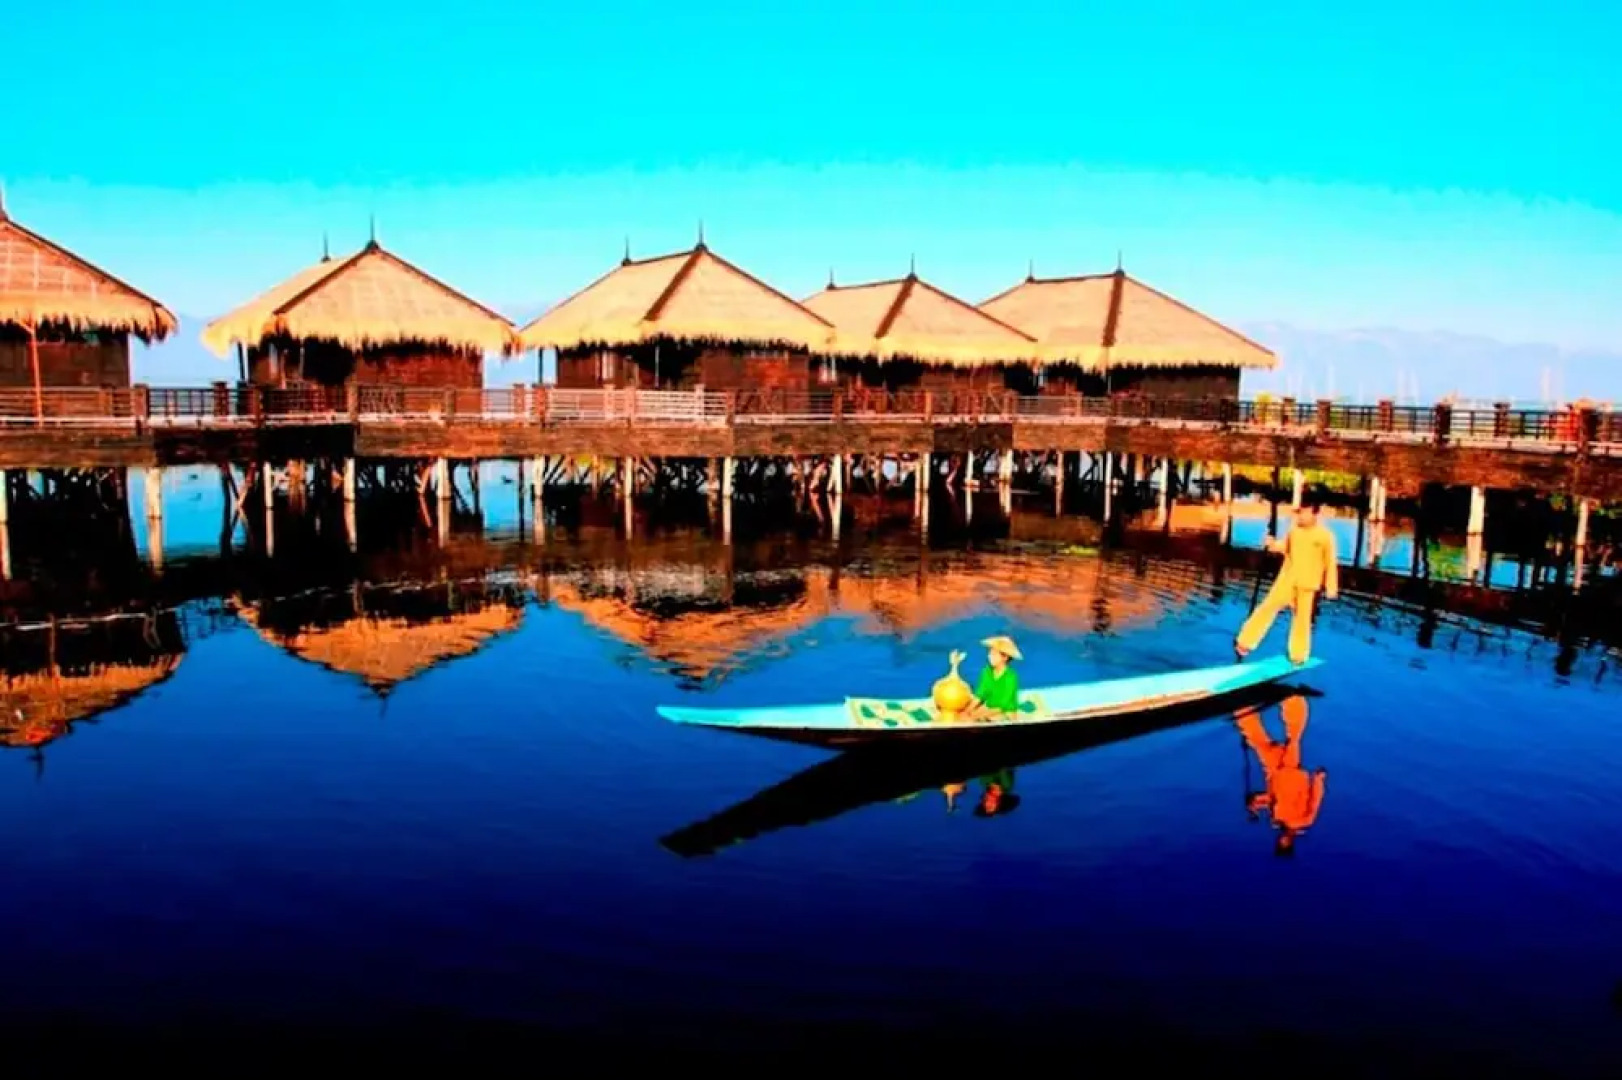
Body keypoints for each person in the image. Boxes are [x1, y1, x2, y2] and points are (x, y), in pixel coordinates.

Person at [1234, 496, 1338, 665]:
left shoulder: (1325, 536)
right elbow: (1285, 547)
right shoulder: (1294, 532)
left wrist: (1331, 586)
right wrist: (1272, 543)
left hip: (1308, 584)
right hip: (1287, 580)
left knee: (1302, 620)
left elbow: (1330, 562)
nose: (1300, 517)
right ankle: (1244, 642)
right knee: (1267, 607)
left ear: (1315, 514)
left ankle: (1298, 655)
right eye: (1299, 513)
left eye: (1304, 513)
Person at [1236, 695, 1326, 857]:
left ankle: (1243, 708)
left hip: (1274, 772)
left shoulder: (1276, 820)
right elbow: (1315, 799)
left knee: (1257, 742)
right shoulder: (1305, 820)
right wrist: (1318, 779)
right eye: (1284, 843)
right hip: (1292, 770)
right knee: (1294, 738)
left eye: (1279, 842)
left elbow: (1272, 798)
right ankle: (1293, 700)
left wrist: (1255, 803)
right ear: (1290, 843)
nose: (1281, 839)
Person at [968, 635, 1022, 720]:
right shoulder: (986, 671)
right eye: (990, 653)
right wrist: (969, 710)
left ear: (1005, 657)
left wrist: (982, 714)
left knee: (993, 718)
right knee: (967, 715)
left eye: (994, 654)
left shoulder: (1011, 677)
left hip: (1005, 712)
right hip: (990, 708)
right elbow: (980, 694)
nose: (990, 657)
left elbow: (1004, 704)